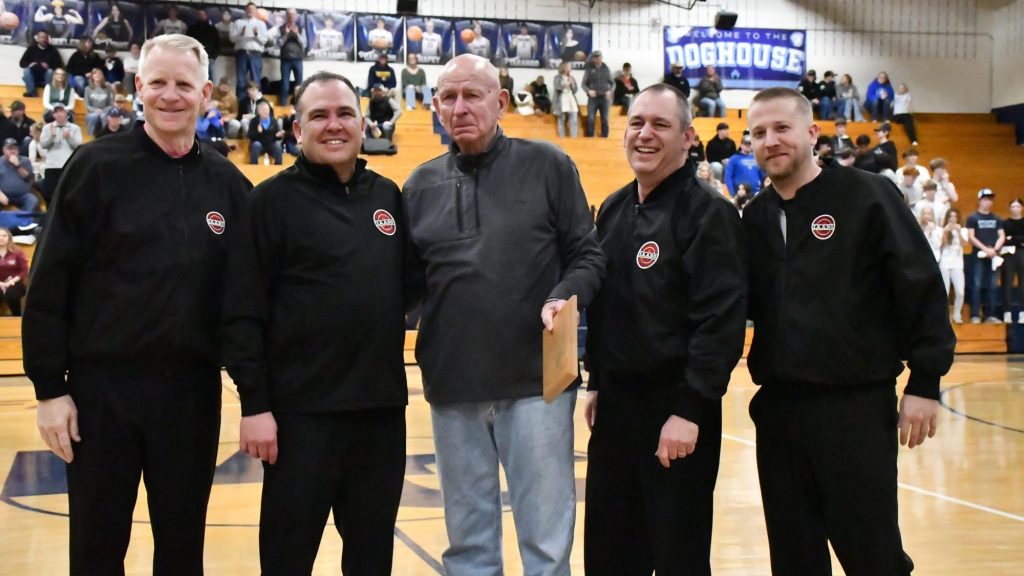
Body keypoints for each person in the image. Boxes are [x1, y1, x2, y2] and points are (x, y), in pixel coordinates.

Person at [24, 33, 251, 575]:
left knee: (181, 549)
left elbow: (247, 298)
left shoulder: (230, 184)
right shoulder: (95, 167)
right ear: (138, 89)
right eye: (158, 83)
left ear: (206, 96)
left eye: (183, 85)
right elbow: (49, 282)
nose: (170, 96)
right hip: (103, 395)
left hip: (191, 397)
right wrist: (50, 389)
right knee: (98, 549)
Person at [402, 54, 605, 576]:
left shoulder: (548, 164)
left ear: (502, 102)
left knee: (544, 540)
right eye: (448, 97)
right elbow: (401, 286)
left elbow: (588, 253)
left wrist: (565, 294)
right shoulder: (417, 186)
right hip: (452, 386)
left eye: (473, 95)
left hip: (535, 382)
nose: (460, 107)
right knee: (467, 544)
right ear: (436, 107)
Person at [742, 87, 955, 576]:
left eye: (781, 129)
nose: (770, 141)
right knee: (794, 558)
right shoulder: (753, 218)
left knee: (872, 554)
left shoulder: (867, 195)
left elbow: (919, 285)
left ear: (813, 133)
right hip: (778, 412)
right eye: (758, 133)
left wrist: (924, 382)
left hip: (854, 408)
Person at [224, 70, 409, 575]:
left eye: (345, 113)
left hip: (380, 415)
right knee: (287, 558)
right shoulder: (268, 202)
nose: (334, 125)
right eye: (319, 115)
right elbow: (241, 311)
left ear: (362, 122)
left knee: (372, 558)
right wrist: (255, 404)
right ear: (296, 128)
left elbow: (407, 289)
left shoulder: (388, 197)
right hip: (298, 419)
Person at [584, 85, 747, 575]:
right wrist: (597, 381)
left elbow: (720, 321)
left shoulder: (709, 213)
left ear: (689, 138)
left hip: (675, 411)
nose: (645, 134)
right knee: (610, 551)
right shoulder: (613, 209)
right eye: (636, 123)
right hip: (615, 408)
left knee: (677, 554)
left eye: (660, 124)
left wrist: (689, 409)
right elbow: (608, 307)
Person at [967, 188, 1005, 323]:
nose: (988, 202)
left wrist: (995, 249)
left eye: (990, 199)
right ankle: (975, 314)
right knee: (976, 284)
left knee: (993, 285)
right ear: (979, 201)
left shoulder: (996, 218)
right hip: (978, 255)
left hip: (993, 255)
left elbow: (1001, 235)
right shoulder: (973, 217)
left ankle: (990, 315)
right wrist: (985, 249)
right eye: (985, 199)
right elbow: (971, 236)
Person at [38, 102, 81, 204]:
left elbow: (79, 146)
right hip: (52, 166)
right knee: (50, 195)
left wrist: (69, 137)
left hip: (68, 166)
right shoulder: (47, 127)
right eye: (56, 112)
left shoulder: (74, 128)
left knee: (68, 195)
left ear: (66, 113)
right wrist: (52, 136)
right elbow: (43, 144)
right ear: (53, 115)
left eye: (61, 111)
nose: (59, 114)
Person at [231, 2, 269, 99]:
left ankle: (256, 104)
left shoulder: (261, 24)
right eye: (249, 9)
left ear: (255, 11)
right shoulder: (238, 23)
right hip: (241, 53)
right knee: (241, 80)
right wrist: (241, 34)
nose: (250, 11)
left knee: (256, 80)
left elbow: (264, 40)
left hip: (255, 54)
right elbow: (232, 39)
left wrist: (256, 34)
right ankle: (241, 105)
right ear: (245, 10)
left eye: (253, 9)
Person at [271, 8, 306, 106]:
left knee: (299, 86)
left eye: (293, 14)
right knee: (285, 85)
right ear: (286, 16)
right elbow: (277, 44)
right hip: (285, 60)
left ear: (296, 16)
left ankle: (300, 107)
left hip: (298, 59)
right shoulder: (281, 28)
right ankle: (283, 108)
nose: (291, 16)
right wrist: (286, 35)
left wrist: (297, 34)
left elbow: (305, 44)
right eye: (289, 14)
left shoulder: (300, 28)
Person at [940, 208, 968, 324]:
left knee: (960, 291)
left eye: (955, 216)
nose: (952, 219)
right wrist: (946, 232)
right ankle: (944, 316)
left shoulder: (963, 229)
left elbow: (964, 244)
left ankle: (957, 314)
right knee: (944, 291)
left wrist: (959, 231)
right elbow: (942, 244)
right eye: (950, 216)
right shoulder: (942, 229)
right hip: (945, 262)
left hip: (957, 263)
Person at [0, 137, 39, 213]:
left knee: (33, 200)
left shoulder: (25, 161)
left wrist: (18, 166)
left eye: (14, 148)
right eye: (9, 149)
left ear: (18, 150)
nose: (12, 151)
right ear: (3, 150)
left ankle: (24, 221)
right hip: (4, 194)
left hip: (23, 194)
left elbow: (28, 178)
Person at [21, 31, 64, 97]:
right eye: (42, 37)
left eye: (46, 38)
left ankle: (48, 94)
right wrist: (29, 64)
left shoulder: (53, 50)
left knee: (50, 71)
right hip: (34, 75)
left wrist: (49, 66)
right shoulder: (31, 49)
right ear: (38, 38)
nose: (44, 39)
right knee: (26, 70)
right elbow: (22, 63)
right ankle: (31, 93)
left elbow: (59, 66)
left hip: (47, 76)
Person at [1002, 198, 1024, 324]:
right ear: (1010, 208)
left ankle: (1022, 313)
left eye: (1017, 206)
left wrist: (1012, 238)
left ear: (1021, 208)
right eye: (1013, 206)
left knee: (1023, 284)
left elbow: (1012, 238)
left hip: (1021, 253)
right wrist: (1018, 240)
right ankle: (1007, 313)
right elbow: (1003, 239)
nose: (1015, 209)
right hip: (1008, 254)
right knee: (1007, 283)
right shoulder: (1005, 223)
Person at [582, 50, 613, 137]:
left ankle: (605, 137)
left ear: (601, 57)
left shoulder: (606, 68)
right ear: (592, 58)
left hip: (605, 98)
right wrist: (589, 91)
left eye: (599, 57)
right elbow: (583, 84)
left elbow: (613, 83)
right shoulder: (589, 69)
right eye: (595, 57)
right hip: (593, 98)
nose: (597, 58)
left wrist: (610, 91)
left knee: (605, 119)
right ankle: (590, 137)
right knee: (591, 118)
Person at [187, 8, 220, 84]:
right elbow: (187, 43)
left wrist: (214, 56)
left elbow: (217, 44)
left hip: (210, 58)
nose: (201, 16)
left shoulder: (213, 29)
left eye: (203, 14)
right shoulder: (192, 29)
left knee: (211, 79)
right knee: (194, 78)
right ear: (196, 16)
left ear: (206, 16)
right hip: (195, 58)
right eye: (199, 15)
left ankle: (211, 95)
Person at [0, 227, 28, 316]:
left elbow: (24, 270)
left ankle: (17, 317)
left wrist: (10, 282)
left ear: (9, 238)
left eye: (4, 236)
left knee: (11, 295)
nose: (1, 238)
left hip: (15, 283)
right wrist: (1, 284)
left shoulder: (17, 252)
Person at [247, 100, 283, 164]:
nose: (266, 112)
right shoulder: (254, 121)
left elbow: (276, 137)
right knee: (256, 145)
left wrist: (278, 136)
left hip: (270, 144)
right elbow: (249, 135)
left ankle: (279, 167)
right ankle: (253, 167)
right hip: (259, 144)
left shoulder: (273, 121)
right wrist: (258, 132)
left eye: (267, 110)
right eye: (263, 110)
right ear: (259, 111)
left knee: (278, 146)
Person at [84, 68, 115, 136]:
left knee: (103, 116)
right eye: (95, 74)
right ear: (92, 76)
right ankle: (91, 137)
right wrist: (95, 110)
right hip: (92, 112)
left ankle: (105, 135)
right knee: (94, 116)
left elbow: (110, 104)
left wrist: (103, 111)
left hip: (105, 111)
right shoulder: (87, 89)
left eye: (99, 74)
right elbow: (86, 105)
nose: (97, 75)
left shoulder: (107, 88)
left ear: (102, 76)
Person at [552, 62, 579, 138]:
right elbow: (557, 87)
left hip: (571, 100)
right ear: (564, 68)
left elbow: (575, 90)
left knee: (574, 120)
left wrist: (572, 83)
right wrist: (565, 84)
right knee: (561, 121)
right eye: (569, 66)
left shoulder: (572, 77)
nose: (571, 68)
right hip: (561, 101)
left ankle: (574, 140)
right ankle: (562, 139)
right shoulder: (557, 77)